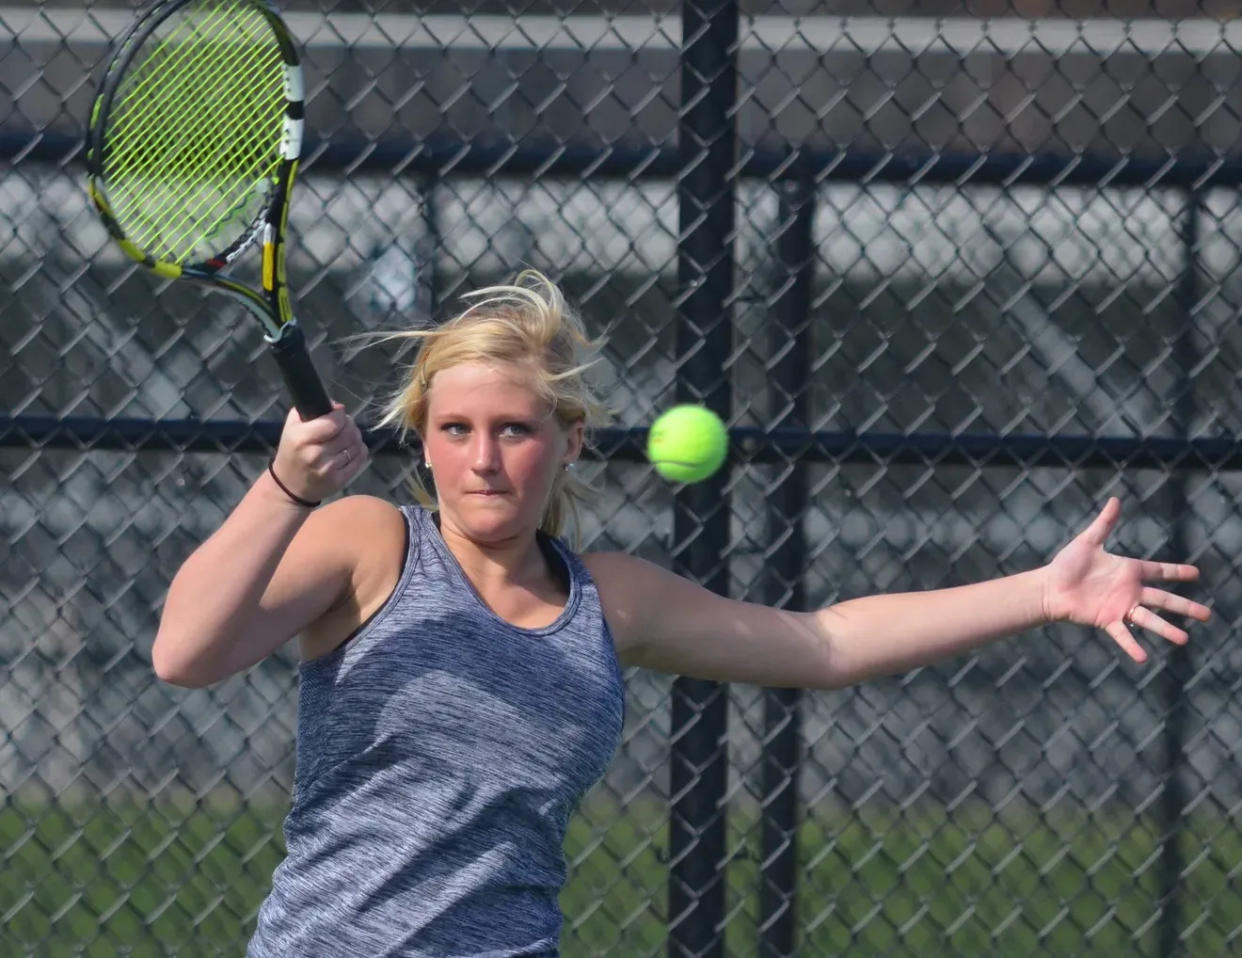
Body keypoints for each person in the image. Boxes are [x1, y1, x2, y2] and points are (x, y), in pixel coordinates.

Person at [151, 270, 1212, 956]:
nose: (483, 458)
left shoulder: (609, 599)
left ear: (570, 440)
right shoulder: (372, 542)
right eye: (456, 427)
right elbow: (185, 654)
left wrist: (1042, 591)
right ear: (421, 438)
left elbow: (825, 643)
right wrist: (288, 488)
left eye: (515, 429)